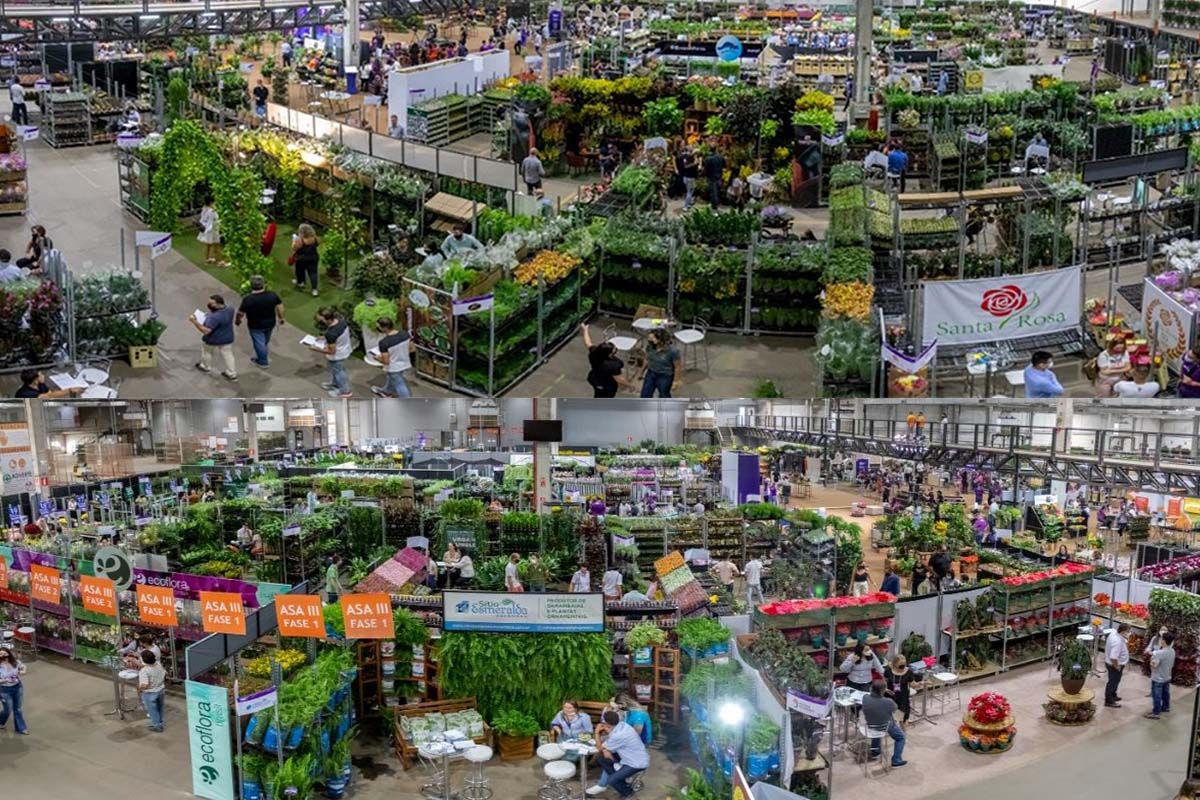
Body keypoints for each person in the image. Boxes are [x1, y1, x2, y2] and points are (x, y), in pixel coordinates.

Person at [588, 710, 649, 797]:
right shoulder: (623, 725)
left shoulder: (618, 735)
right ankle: (621, 779)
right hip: (633, 756)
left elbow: (600, 748)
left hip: (636, 763)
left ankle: (628, 793)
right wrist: (605, 750)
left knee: (611, 780)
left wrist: (597, 732)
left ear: (607, 724)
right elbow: (605, 748)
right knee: (601, 757)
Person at [236, 275, 284, 368]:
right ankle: (262, 353)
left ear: (251, 285)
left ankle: (263, 361)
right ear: (263, 285)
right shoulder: (272, 295)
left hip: (255, 325)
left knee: (259, 343)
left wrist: (238, 321)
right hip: (270, 322)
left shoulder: (248, 299)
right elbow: (280, 306)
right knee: (265, 340)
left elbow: (240, 313)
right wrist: (281, 317)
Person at [191, 294, 238, 381]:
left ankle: (205, 366)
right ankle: (232, 373)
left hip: (213, 339)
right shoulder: (230, 309)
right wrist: (209, 314)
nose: (209, 305)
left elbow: (206, 330)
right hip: (228, 337)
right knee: (228, 354)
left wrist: (194, 321)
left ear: (219, 304)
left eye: (212, 304)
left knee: (207, 352)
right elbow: (219, 315)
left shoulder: (215, 317)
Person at [861, 680, 907, 767]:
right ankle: (896, 760)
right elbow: (895, 710)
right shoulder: (888, 701)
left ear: (871, 688)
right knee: (901, 737)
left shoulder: (865, 698)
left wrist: (882, 690)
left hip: (870, 725)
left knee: (877, 730)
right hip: (886, 726)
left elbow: (871, 694)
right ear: (883, 690)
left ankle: (875, 752)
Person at [312, 307, 353, 398]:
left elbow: (331, 351)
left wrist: (316, 349)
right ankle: (335, 384)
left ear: (328, 320)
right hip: (345, 349)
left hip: (338, 355)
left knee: (339, 372)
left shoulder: (331, 334)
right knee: (335, 371)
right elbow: (337, 337)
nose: (320, 321)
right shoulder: (341, 322)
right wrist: (324, 338)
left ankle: (345, 391)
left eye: (321, 320)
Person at [373, 317, 414, 398]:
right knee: (391, 378)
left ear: (384, 328)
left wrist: (377, 358)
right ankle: (386, 391)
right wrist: (401, 353)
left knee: (400, 385)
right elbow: (412, 349)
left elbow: (386, 361)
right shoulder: (405, 334)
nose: (377, 328)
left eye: (378, 326)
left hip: (393, 367)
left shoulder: (384, 342)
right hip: (405, 363)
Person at [640, 329, 681, 398]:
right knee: (645, 394)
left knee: (664, 395)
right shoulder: (650, 347)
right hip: (651, 373)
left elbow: (677, 367)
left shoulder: (673, 351)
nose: (649, 340)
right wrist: (641, 372)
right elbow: (647, 360)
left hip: (665, 376)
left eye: (652, 338)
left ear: (660, 340)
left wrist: (675, 381)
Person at [1146, 631, 1176, 720]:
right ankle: (1166, 707)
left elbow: (1154, 665)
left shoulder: (1160, 653)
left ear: (1163, 641)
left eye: (1162, 639)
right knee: (1166, 693)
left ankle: (1156, 713)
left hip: (1158, 678)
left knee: (1157, 695)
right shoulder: (1172, 651)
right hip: (1167, 676)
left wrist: (1151, 661)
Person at [0, 648, 28, 734]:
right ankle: (1, 721)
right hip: (4, 690)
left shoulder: (14, 662)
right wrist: (4, 680)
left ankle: (21, 728)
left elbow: (23, 666)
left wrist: (23, 671)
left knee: (18, 709)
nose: (3, 656)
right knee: (7, 709)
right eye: (1, 655)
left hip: (17, 687)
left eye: (5, 654)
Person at [138, 649, 166, 732]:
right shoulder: (158, 664)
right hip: (161, 689)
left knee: (152, 710)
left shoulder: (144, 671)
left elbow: (145, 684)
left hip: (150, 693)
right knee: (160, 708)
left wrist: (139, 689)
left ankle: (157, 726)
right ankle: (160, 723)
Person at [291, 223, 321, 296]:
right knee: (313, 273)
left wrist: (294, 240)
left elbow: (294, 248)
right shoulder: (315, 238)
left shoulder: (299, 239)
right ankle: (314, 290)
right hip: (314, 257)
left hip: (302, 258)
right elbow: (317, 244)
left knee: (300, 270)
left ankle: (301, 283)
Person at [1105, 623, 1130, 708]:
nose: (1129, 633)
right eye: (1128, 631)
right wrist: (1117, 666)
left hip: (1111, 663)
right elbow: (1113, 657)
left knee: (1115, 681)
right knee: (1112, 682)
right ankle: (1109, 701)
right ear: (1123, 631)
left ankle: (1113, 695)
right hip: (1114, 665)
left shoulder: (1114, 633)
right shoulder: (1117, 642)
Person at [884, 655, 914, 725]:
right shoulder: (888, 670)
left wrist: (921, 683)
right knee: (890, 713)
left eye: (904, 665)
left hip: (903, 695)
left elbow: (913, 684)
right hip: (890, 694)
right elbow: (884, 680)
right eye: (901, 666)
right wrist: (885, 689)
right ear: (895, 664)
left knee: (902, 715)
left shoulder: (909, 672)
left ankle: (903, 723)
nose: (903, 667)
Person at [198, 200, 223, 265]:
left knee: (208, 245)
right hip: (212, 230)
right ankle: (219, 262)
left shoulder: (204, 209)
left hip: (206, 229)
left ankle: (207, 259)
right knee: (216, 245)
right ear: (211, 203)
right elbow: (215, 220)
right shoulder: (212, 211)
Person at [679, 144, 698, 209]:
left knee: (690, 190)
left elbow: (684, 166)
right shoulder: (691, 158)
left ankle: (689, 203)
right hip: (690, 177)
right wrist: (695, 163)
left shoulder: (683, 157)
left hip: (685, 176)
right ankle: (686, 206)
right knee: (689, 192)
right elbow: (687, 166)